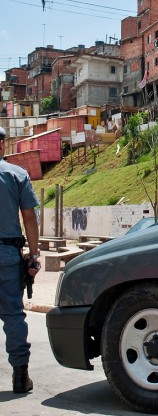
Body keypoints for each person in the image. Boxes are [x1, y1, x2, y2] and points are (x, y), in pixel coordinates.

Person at [0, 126, 41, 393]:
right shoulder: (16, 174)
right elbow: (29, 217)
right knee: (13, 315)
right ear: (2, 145)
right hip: (7, 255)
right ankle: (20, 376)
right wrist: (34, 256)